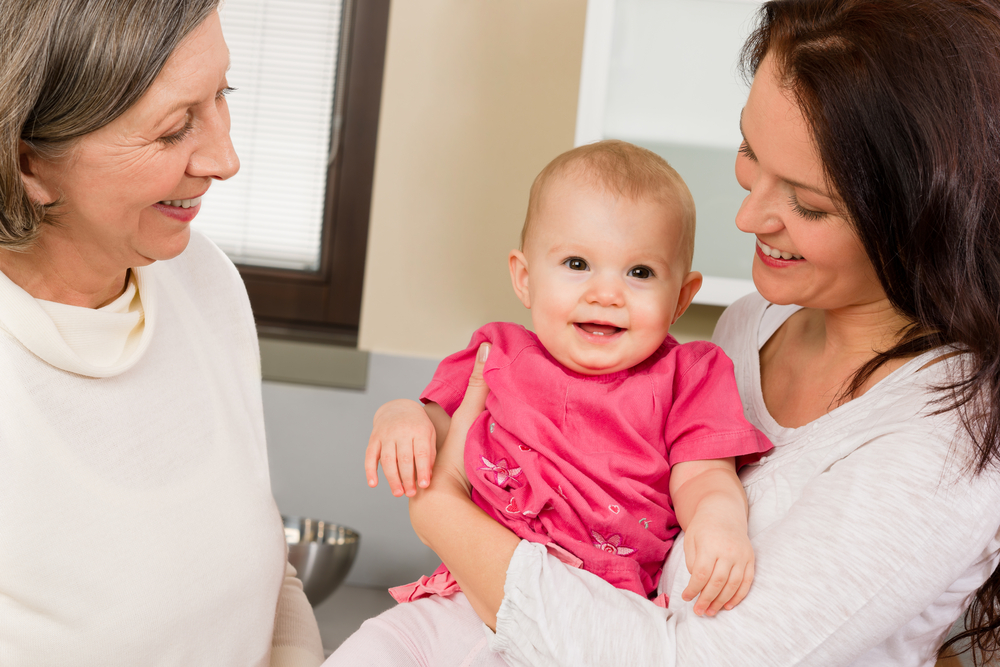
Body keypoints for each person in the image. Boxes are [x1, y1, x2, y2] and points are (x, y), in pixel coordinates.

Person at [357, 0, 1000, 665]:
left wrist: (440, 511)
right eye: (750, 150)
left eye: (806, 203)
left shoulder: (946, 447)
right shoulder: (755, 320)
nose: (748, 216)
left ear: (925, 218)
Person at [332, 141, 773, 664]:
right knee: (375, 648)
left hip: (582, 619)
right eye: (577, 263)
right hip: (466, 593)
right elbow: (435, 421)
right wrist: (399, 414)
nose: (606, 293)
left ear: (681, 297)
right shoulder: (498, 353)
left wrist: (719, 522)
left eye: (640, 273)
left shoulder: (690, 375)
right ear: (525, 277)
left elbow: (703, 475)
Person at [0, 1, 324, 665]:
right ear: (29, 163)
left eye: (223, 96)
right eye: (175, 128)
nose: (226, 159)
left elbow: (265, 568)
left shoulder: (205, 282)